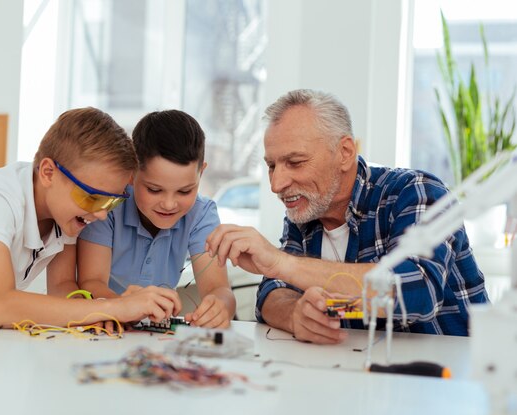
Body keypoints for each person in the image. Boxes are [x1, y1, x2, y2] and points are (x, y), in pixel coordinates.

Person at [205, 89, 488, 343]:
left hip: (454, 383)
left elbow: (415, 291)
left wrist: (280, 263)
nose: (276, 184)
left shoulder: (417, 192)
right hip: (362, 379)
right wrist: (295, 314)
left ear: (344, 152)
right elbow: (272, 292)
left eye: (295, 162)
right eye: (271, 166)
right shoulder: (306, 210)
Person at [0, 107, 181, 328]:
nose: (100, 214)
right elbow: (1, 306)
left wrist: (104, 311)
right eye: (92, 197)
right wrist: (112, 307)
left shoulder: (65, 214)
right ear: (49, 173)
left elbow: (61, 288)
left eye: (111, 202)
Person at [77, 110, 236, 329]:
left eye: (184, 191)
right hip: (100, 326)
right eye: (154, 189)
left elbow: (219, 289)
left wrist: (221, 306)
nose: (169, 204)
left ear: (202, 172)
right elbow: (90, 283)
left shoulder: (202, 213)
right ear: (131, 172)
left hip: (151, 333)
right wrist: (124, 305)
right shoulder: (109, 206)